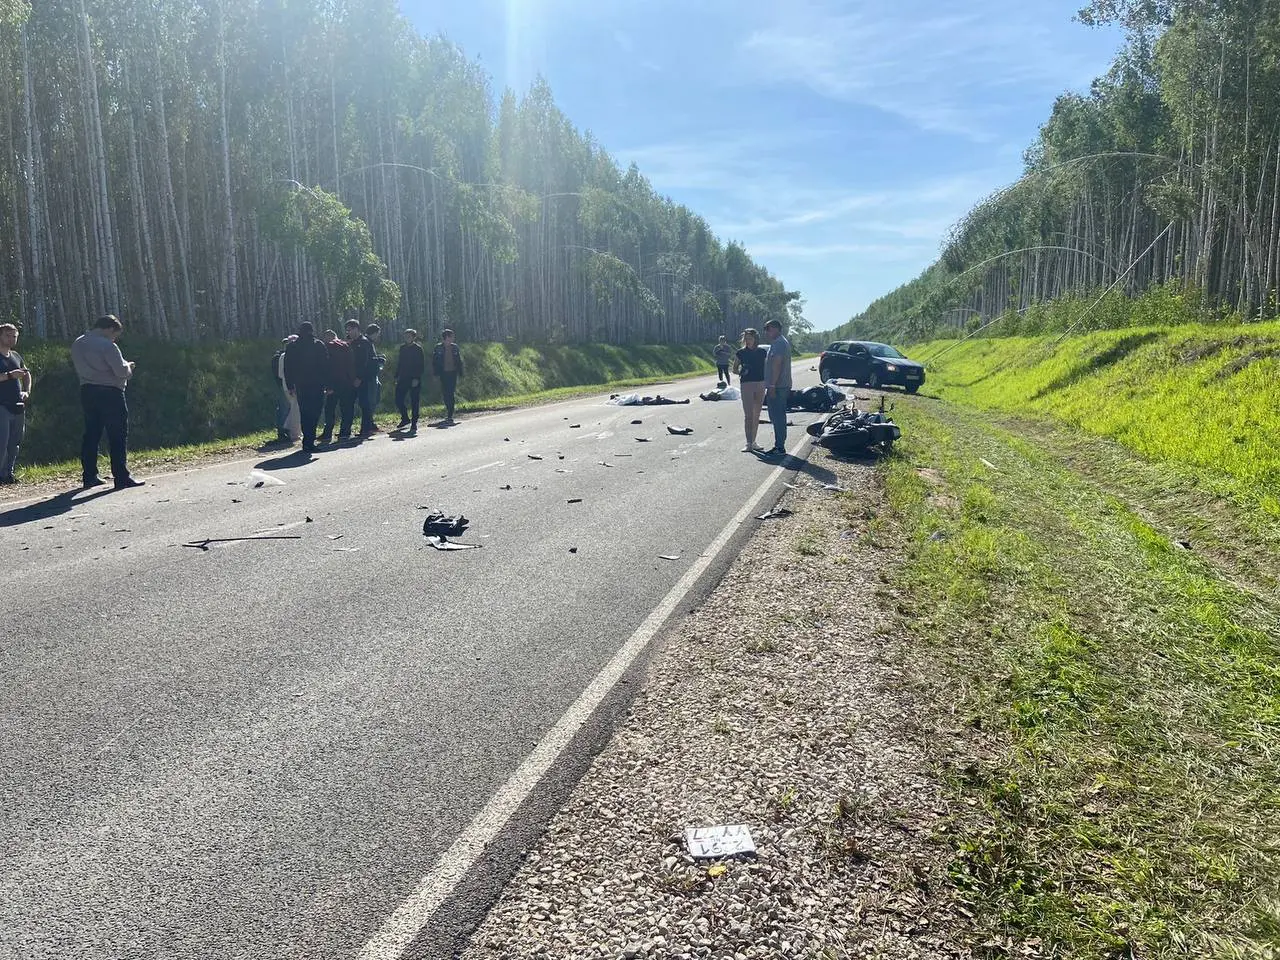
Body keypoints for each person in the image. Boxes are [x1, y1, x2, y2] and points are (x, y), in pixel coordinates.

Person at [70, 314, 143, 490]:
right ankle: (121, 476)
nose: (114, 337)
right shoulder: (108, 345)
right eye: (115, 334)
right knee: (117, 434)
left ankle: (89, 475)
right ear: (110, 329)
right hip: (110, 392)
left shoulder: (78, 343)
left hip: (87, 390)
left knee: (91, 434)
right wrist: (129, 367)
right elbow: (120, 371)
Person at [283, 321, 330, 454]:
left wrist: (290, 385)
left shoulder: (292, 347)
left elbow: (288, 368)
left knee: (305, 413)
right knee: (315, 413)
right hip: (317, 385)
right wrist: (328, 384)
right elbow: (326, 366)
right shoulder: (318, 345)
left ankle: (307, 441)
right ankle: (310, 440)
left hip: (301, 385)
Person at [0, 323, 32, 485]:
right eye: (8, 335)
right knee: (2, 442)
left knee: (15, 442)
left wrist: (26, 390)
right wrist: (10, 376)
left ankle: (8, 474)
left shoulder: (16, 356)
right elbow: (13, 375)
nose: (12, 339)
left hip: (18, 405)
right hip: (2, 405)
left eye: (15, 336)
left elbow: (26, 374)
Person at [761, 319, 793, 458]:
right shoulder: (779, 342)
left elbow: (777, 364)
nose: (766, 332)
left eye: (767, 329)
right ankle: (779, 445)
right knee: (776, 415)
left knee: (778, 416)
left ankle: (780, 447)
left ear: (775, 329)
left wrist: (772, 385)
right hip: (779, 385)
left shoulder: (779, 343)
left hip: (778, 386)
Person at [733, 327, 768, 453]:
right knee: (749, 415)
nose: (748, 341)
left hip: (760, 384)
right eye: (746, 339)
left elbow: (766, 368)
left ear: (755, 339)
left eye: (750, 339)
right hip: (746, 384)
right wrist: (741, 371)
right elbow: (734, 369)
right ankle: (748, 443)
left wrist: (768, 383)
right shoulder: (740, 353)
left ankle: (754, 442)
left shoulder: (762, 352)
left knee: (757, 414)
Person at [320, 328, 355, 443]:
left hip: (333, 383)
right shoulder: (346, 346)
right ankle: (345, 432)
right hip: (347, 383)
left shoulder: (328, 347)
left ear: (328, 337)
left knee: (330, 408)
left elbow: (326, 368)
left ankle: (327, 434)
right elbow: (351, 364)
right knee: (346, 408)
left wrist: (327, 385)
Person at [395, 328, 426, 432]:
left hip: (414, 378)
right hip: (403, 377)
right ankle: (405, 418)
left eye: (409, 336)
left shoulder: (418, 349)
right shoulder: (402, 348)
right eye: (405, 336)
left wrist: (416, 378)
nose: (407, 338)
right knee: (398, 399)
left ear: (413, 337)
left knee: (414, 401)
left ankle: (414, 422)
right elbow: (400, 363)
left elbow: (421, 365)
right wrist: (396, 375)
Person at [431, 328, 464, 424]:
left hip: (452, 373)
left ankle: (450, 413)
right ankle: (448, 408)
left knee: (451, 392)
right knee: (445, 393)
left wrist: (460, 372)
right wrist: (435, 374)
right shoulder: (438, 348)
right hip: (443, 373)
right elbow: (434, 362)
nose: (452, 339)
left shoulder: (455, 347)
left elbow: (459, 361)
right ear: (446, 337)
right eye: (451, 337)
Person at [272, 337, 299, 444]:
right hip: (285, 386)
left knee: (289, 409)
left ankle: (289, 431)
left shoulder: (282, 356)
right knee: (285, 409)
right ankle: (284, 432)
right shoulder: (280, 357)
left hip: (285, 385)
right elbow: (279, 374)